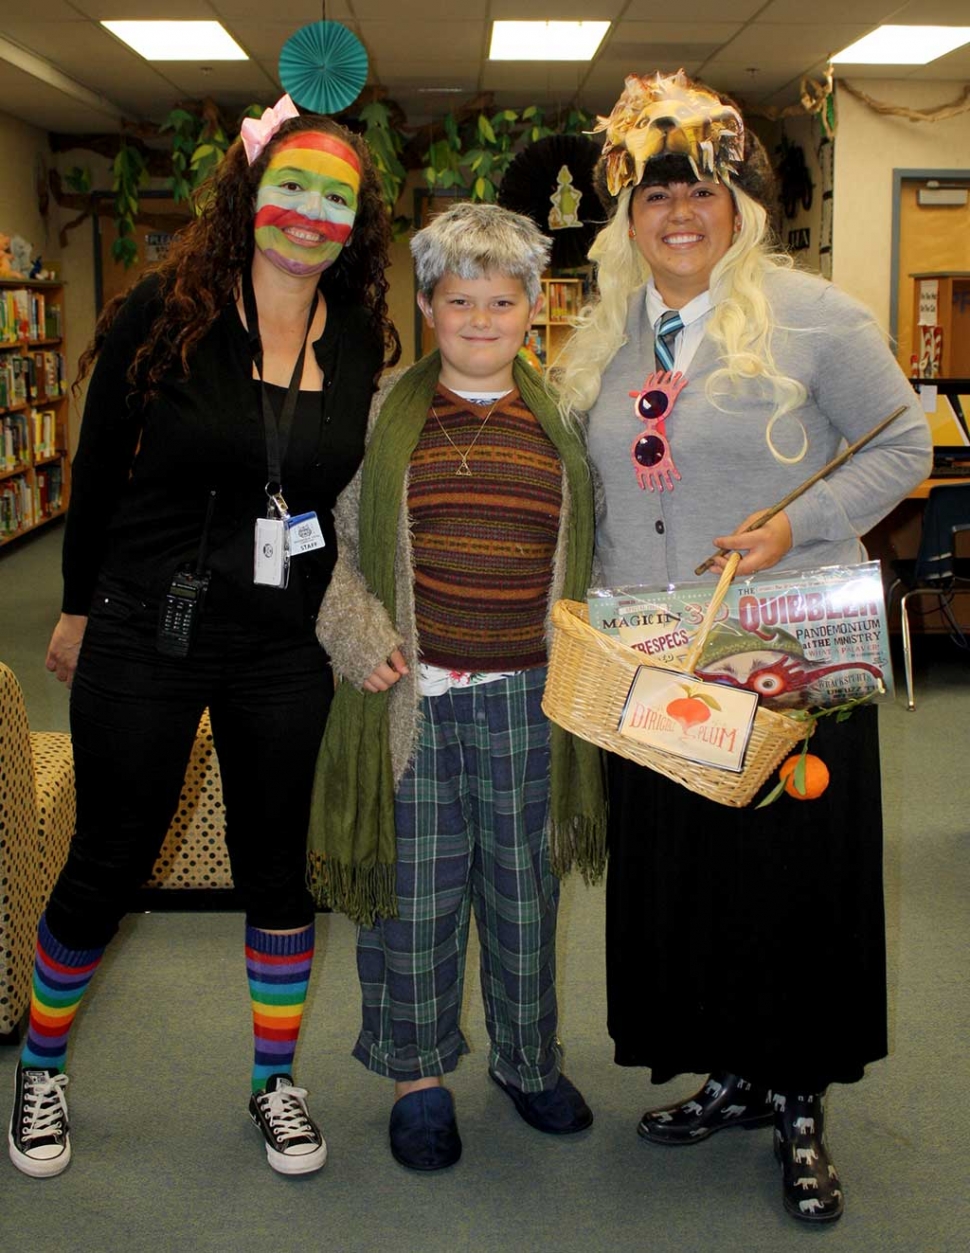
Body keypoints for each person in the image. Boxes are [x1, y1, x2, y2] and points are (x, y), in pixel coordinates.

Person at [554, 70, 932, 1223]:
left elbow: (900, 447)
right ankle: (727, 1067)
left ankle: (800, 1094)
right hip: (659, 659)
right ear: (627, 216)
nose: (678, 213)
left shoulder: (817, 318)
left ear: (741, 208)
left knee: (791, 876)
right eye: (655, 194)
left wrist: (794, 525)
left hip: (788, 656)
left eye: (700, 193)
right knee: (689, 873)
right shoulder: (606, 337)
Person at [8, 96, 399, 1180]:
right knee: (110, 856)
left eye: (336, 200)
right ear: (249, 194)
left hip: (281, 641)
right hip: (148, 624)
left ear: (358, 221)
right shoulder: (165, 312)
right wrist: (81, 605)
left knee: (281, 870)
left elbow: (355, 495)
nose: (310, 217)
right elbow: (93, 472)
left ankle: (274, 1082)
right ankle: (42, 1067)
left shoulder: (363, 339)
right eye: (292, 189)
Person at [309, 202, 606, 1171]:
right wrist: (356, 632)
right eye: (458, 299)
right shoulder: (379, 415)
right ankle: (416, 1075)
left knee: (525, 896)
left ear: (532, 307)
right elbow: (330, 546)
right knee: (417, 899)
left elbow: (591, 559)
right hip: (412, 704)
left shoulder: (566, 420)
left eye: (502, 299)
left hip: (531, 702)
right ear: (428, 305)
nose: (481, 318)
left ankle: (526, 1060)